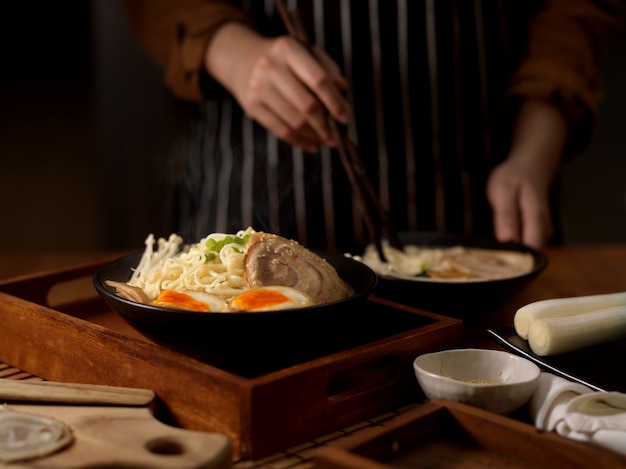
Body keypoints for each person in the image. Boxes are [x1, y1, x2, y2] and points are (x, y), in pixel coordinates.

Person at [122, 0, 622, 252]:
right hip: (254, 178)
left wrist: (533, 155)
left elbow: (576, 10)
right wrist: (230, 51)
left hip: (482, 191)